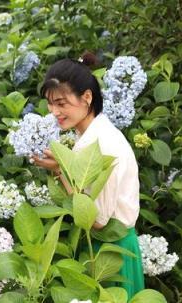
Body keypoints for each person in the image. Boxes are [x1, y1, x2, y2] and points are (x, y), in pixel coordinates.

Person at [30, 52, 145, 298]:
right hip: (109, 248)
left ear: (87, 97)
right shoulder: (92, 135)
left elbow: (98, 220)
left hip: (112, 253)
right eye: (50, 103)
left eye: (61, 104)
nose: (54, 112)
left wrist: (61, 170)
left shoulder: (101, 145)